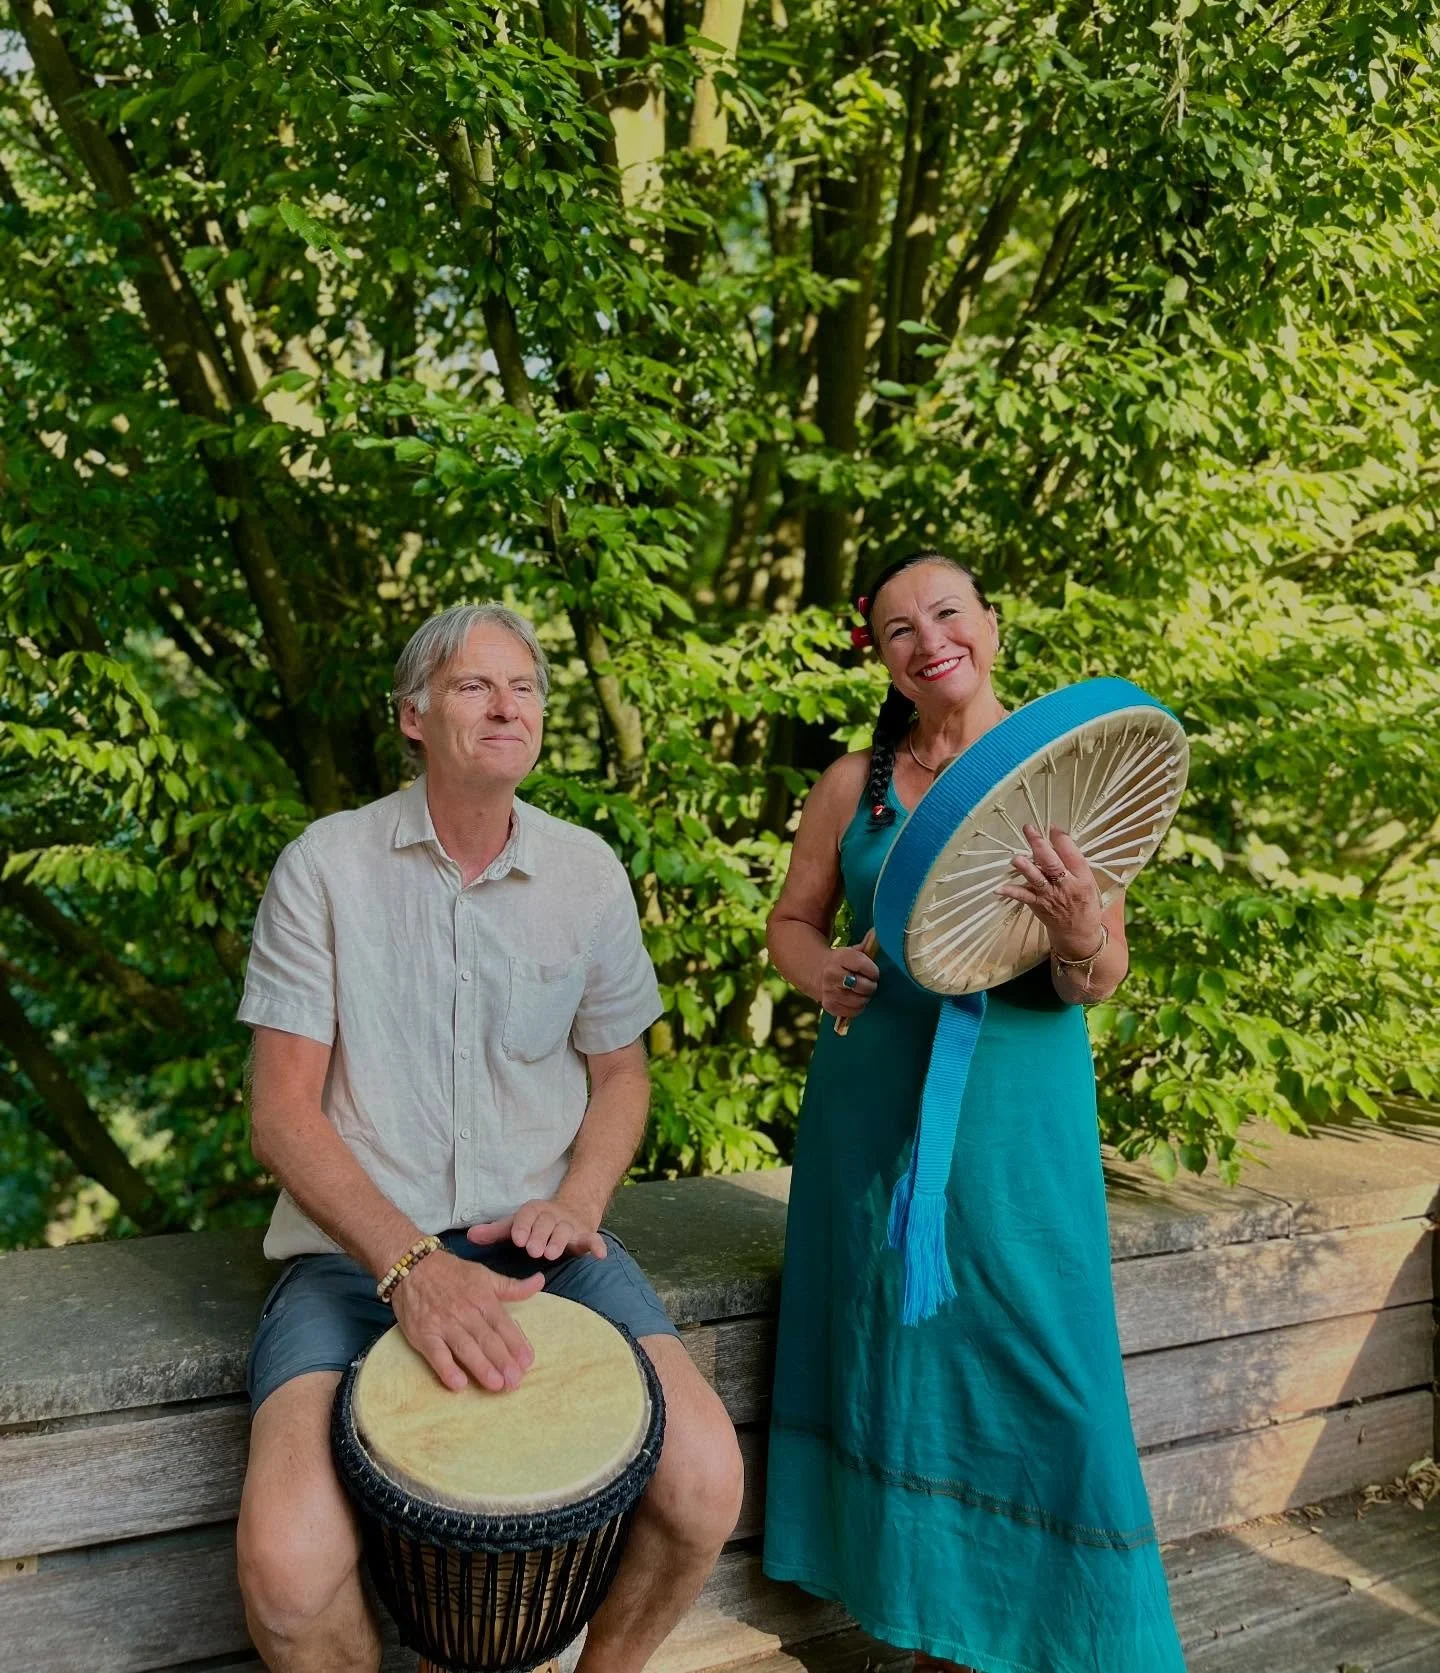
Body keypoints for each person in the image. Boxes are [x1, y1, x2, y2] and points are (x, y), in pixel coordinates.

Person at [234, 603, 744, 1673]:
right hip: (351, 1257)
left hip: (542, 1246)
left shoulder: (588, 870)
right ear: (413, 714)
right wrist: (409, 1262)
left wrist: (581, 1204)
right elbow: (281, 1110)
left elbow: (622, 1073)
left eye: (526, 687)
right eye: (475, 686)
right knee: (286, 1568)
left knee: (704, 1480)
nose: (508, 704)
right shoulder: (323, 867)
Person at [762, 553, 1185, 1673]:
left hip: (1017, 1127)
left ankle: (1077, 1639)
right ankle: (926, 1630)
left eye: (946, 611)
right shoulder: (856, 783)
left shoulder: (1069, 768)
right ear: (880, 655)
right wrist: (825, 973)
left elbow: (1099, 977)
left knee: (1057, 1376)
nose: (927, 637)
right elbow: (794, 922)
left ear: (991, 623)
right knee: (892, 1360)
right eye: (898, 626)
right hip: (868, 1123)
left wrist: (1080, 927)